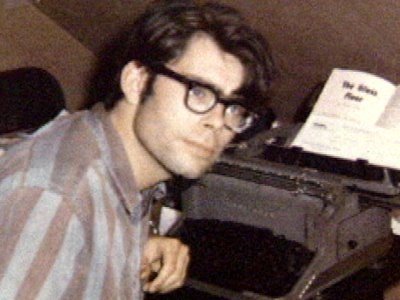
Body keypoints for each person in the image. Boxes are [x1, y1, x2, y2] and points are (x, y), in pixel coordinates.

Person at [0, 0, 275, 298]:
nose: (218, 123)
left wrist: (137, 242)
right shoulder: (57, 199)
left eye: (234, 108)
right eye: (198, 91)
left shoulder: (107, 154)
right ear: (137, 81)